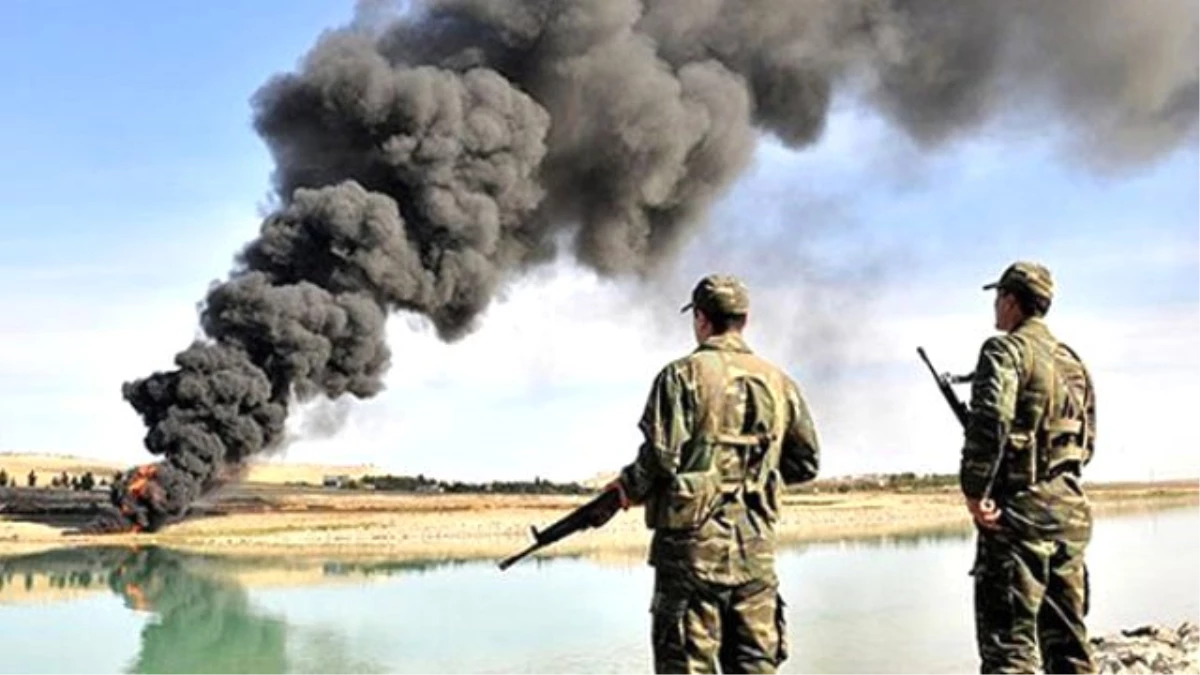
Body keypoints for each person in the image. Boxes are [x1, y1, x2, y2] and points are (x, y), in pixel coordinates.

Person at [592, 274, 820, 674]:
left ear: (700, 318)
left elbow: (661, 459)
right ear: (744, 320)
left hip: (690, 561)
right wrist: (757, 472)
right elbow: (805, 464)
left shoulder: (681, 377)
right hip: (755, 556)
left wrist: (626, 488)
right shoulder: (779, 382)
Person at [962, 262, 1097, 674]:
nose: (995, 308)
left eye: (998, 298)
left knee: (1010, 650)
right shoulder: (1072, 360)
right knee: (1069, 643)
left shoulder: (1004, 350)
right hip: (1070, 512)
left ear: (1010, 300)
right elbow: (1086, 443)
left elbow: (990, 423)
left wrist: (975, 491)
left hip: (1018, 517)